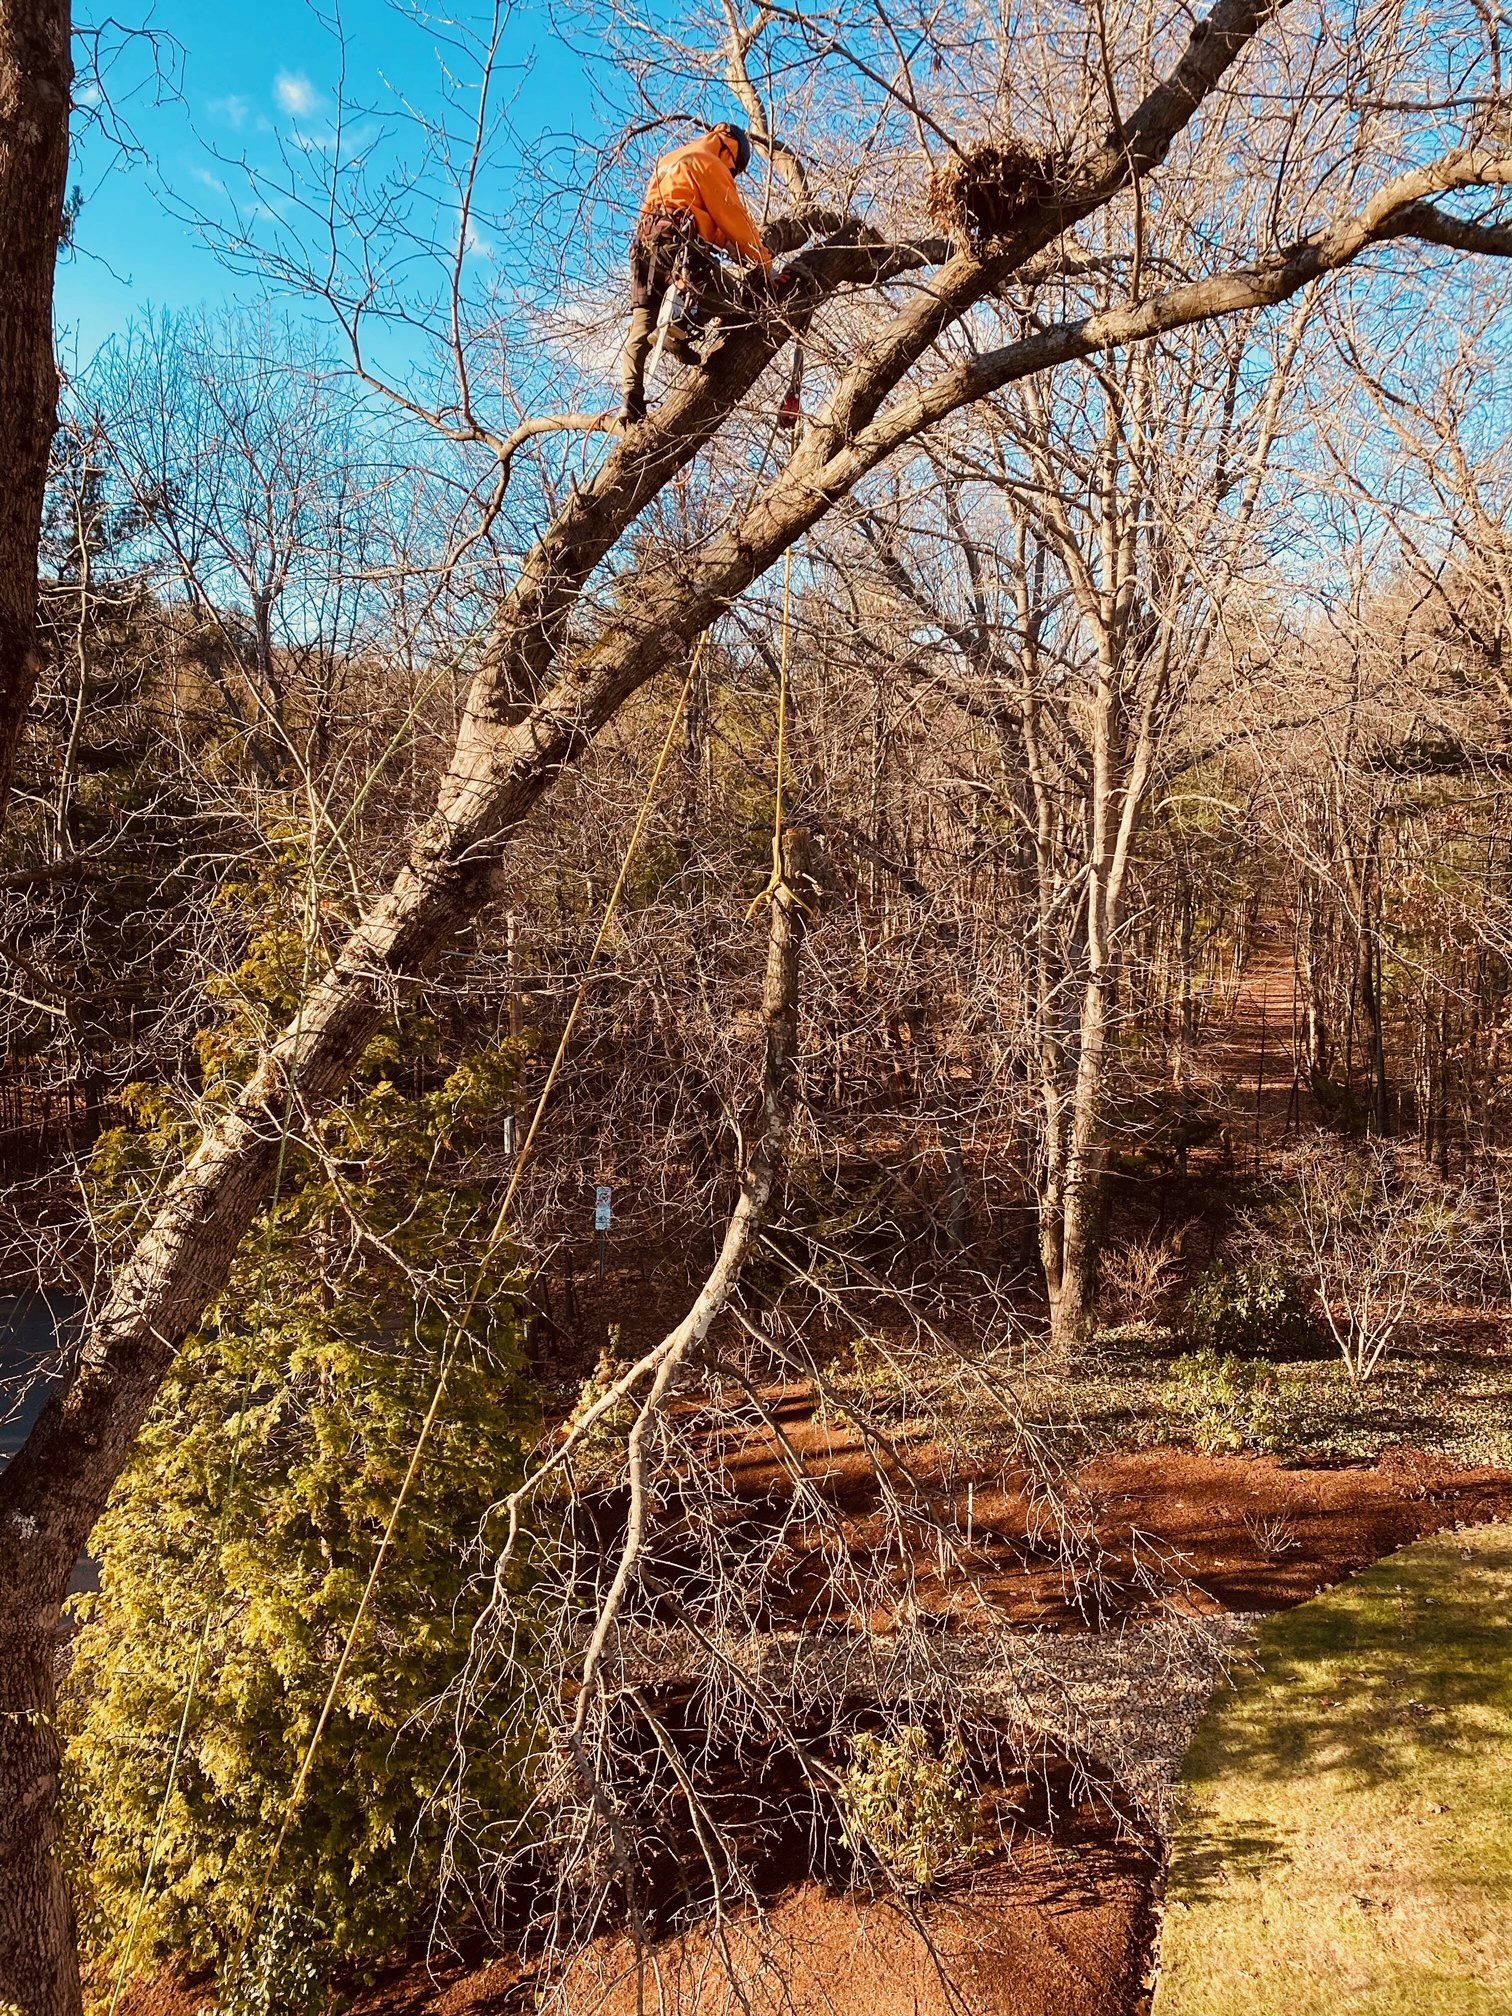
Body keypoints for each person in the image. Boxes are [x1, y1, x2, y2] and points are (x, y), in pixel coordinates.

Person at [618, 122, 775, 428]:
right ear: (731, 153)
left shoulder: (669, 161)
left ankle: (631, 399)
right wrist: (763, 262)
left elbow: (690, 210)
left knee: (641, 328)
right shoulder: (709, 162)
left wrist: (729, 246)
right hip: (679, 249)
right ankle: (680, 326)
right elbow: (733, 218)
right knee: (735, 300)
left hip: (645, 249)